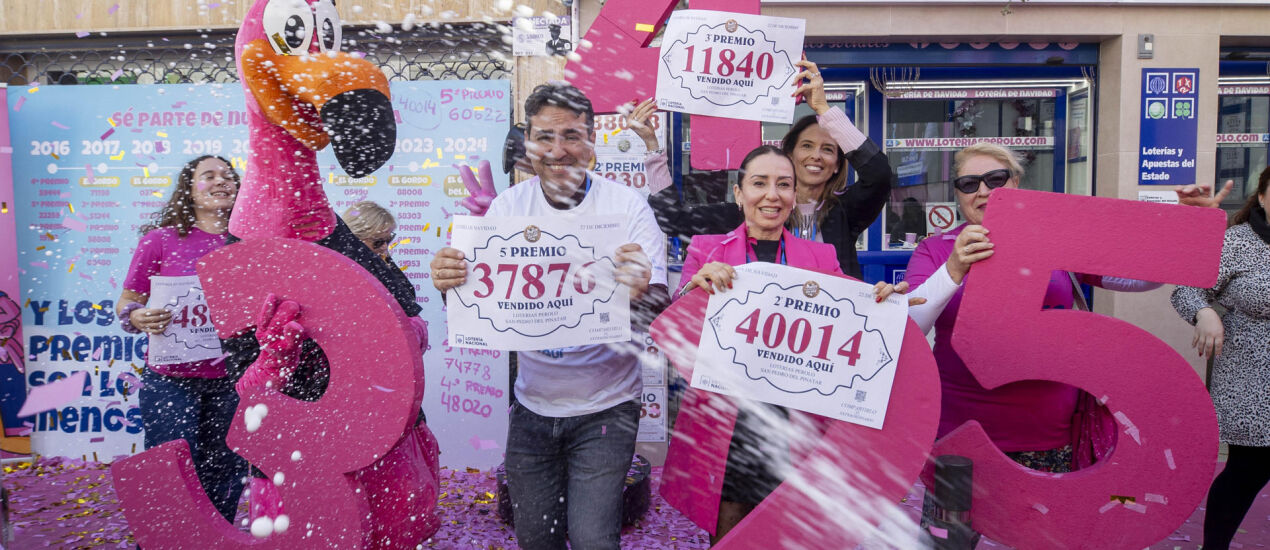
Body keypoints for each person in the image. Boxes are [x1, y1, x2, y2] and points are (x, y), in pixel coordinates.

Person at [430, 83, 669, 550]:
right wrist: (448, 282)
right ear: (528, 143)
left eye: (572, 135)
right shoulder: (507, 209)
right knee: (536, 539)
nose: (558, 150)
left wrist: (640, 289)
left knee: (593, 539)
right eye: (545, 136)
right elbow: (475, 306)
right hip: (531, 410)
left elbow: (657, 312)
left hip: (607, 409)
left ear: (592, 140)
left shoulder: (627, 209)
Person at [670, 145, 916, 542]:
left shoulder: (820, 257)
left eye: (784, 184)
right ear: (738, 193)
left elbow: (852, 325)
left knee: (794, 531)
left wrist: (881, 302)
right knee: (730, 533)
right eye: (759, 183)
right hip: (731, 422)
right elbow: (675, 334)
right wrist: (693, 293)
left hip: (800, 419)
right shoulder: (706, 250)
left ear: (795, 195)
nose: (772, 194)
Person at [904, 142, 1162, 473]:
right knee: (952, 527)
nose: (983, 191)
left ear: (1016, 182)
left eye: (995, 178)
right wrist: (954, 268)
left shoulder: (1057, 239)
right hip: (959, 431)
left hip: (1048, 433)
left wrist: (1185, 228)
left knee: (1042, 525)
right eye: (969, 184)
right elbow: (911, 325)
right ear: (958, 194)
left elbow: (1142, 280)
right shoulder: (936, 249)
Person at [641, 59, 894, 279]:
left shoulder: (844, 211)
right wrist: (652, 147)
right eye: (807, 146)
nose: (816, 156)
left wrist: (823, 110)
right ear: (789, 155)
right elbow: (673, 218)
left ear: (838, 163)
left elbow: (879, 175)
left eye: (828, 149)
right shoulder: (750, 211)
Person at [115, 155, 247, 523]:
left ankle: (216, 543)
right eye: (209, 176)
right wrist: (136, 316)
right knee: (168, 473)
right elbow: (128, 301)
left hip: (233, 383)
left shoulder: (250, 242)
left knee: (225, 474)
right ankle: (162, 542)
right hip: (170, 382)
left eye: (229, 176)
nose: (222, 181)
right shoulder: (159, 241)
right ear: (188, 190)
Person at [1171, 166, 1270, 550]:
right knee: (1248, 469)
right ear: (1261, 197)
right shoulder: (1237, 243)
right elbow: (1187, 289)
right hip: (1251, 383)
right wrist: (1205, 312)